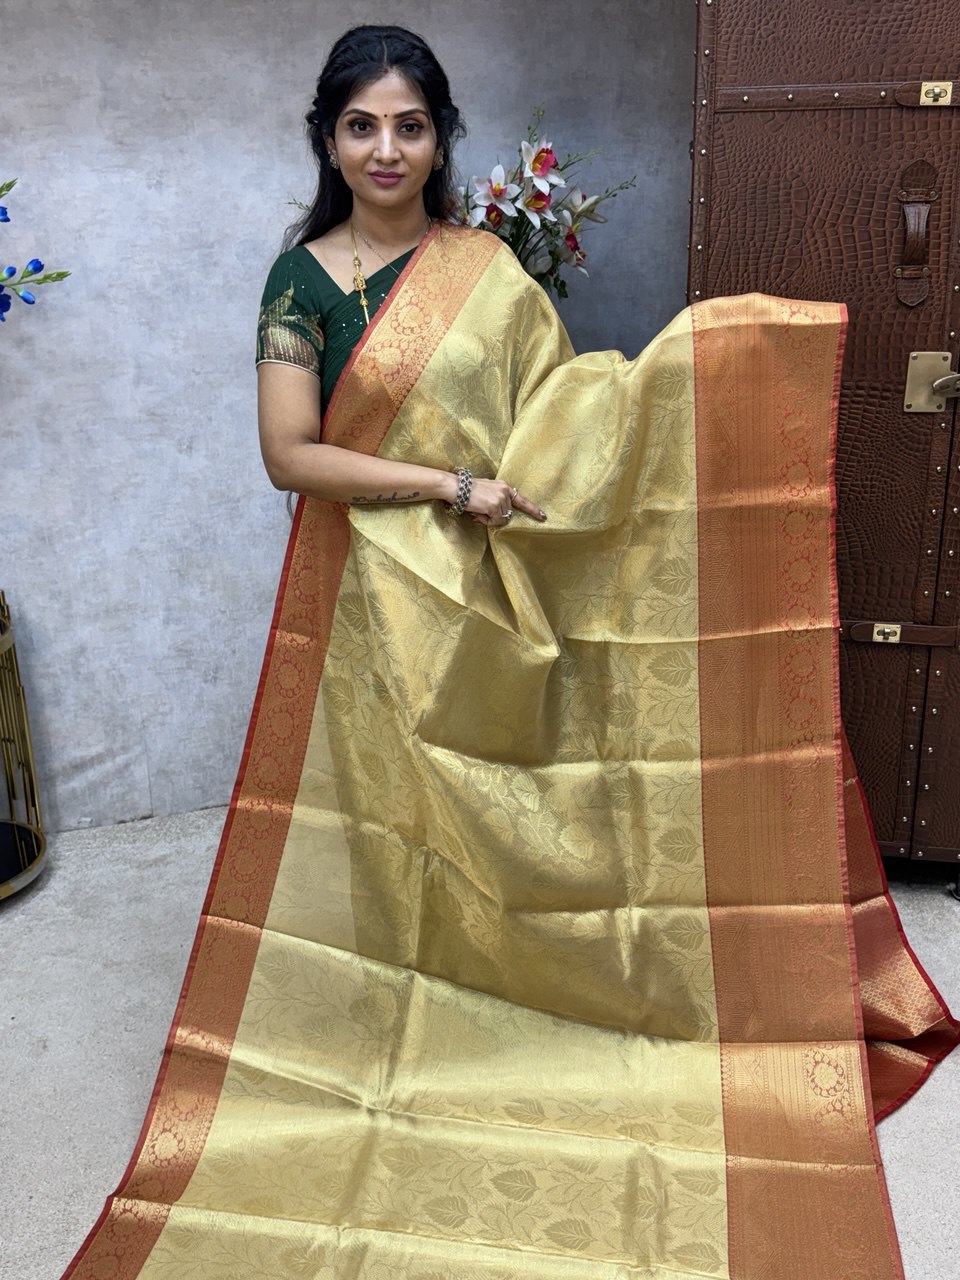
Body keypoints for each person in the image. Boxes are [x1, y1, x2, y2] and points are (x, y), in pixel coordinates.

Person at [64, 25, 957, 1280]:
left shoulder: (482, 264)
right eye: (362, 125)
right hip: (372, 591)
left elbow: (561, 408)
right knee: (389, 815)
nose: (386, 149)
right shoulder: (298, 284)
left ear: (442, 138)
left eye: (410, 125)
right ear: (327, 136)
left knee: (509, 798)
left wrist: (703, 372)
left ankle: (501, 1003)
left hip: (493, 572)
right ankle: (393, 1017)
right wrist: (450, 485)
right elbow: (290, 454)